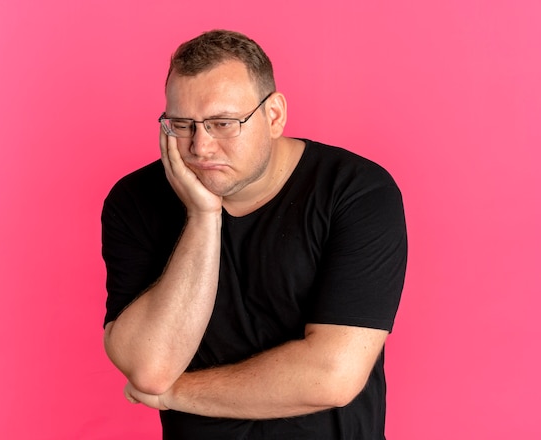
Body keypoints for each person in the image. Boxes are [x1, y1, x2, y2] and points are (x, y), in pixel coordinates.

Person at [102, 29, 407, 440]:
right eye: (181, 124)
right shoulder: (134, 201)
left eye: (223, 123)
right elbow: (148, 366)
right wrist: (203, 216)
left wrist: (175, 394)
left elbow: (332, 375)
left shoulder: (356, 192)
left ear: (274, 116)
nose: (200, 148)